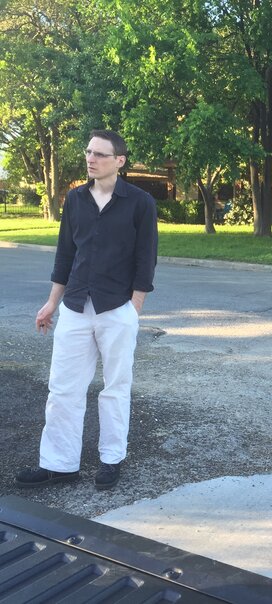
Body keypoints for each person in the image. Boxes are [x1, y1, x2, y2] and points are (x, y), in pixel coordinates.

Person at [15, 129, 158, 490]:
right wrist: (52, 302)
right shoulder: (75, 199)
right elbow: (66, 254)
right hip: (76, 306)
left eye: (99, 154)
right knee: (63, 388)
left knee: (115, 387)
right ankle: (59, 465)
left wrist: (134, 307)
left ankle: (111, 459)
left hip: (117, 307)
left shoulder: (140, 202)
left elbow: (146, 258)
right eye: (89, 152)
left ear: (119, 161)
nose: (91, 159)